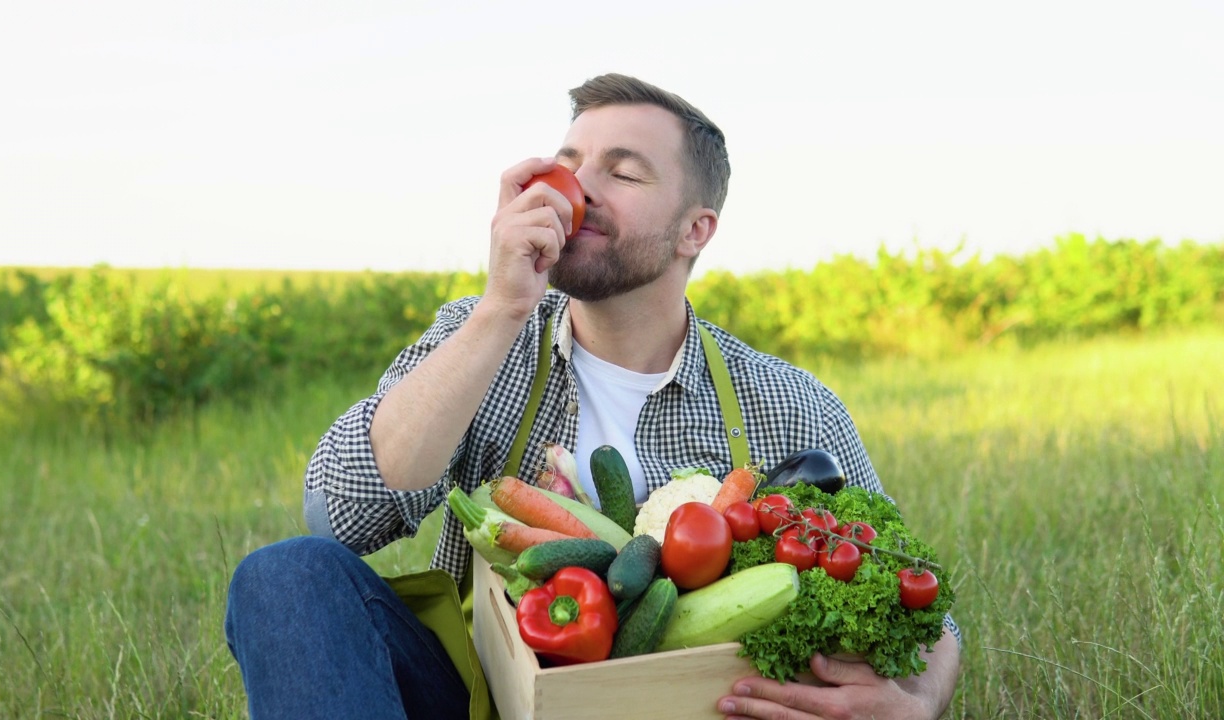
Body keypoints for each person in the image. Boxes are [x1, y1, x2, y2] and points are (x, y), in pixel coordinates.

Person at [224, 73, 961, 720]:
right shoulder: (480, 338)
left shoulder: (786, 403)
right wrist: (502, 308)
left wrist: (918, 697)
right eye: (570, 164)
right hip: (482, 698)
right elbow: (340, 515)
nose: (576, 191)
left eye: (624, 173)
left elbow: (917, 604)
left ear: (694, 230)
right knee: (285, 577)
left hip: (697, 711)